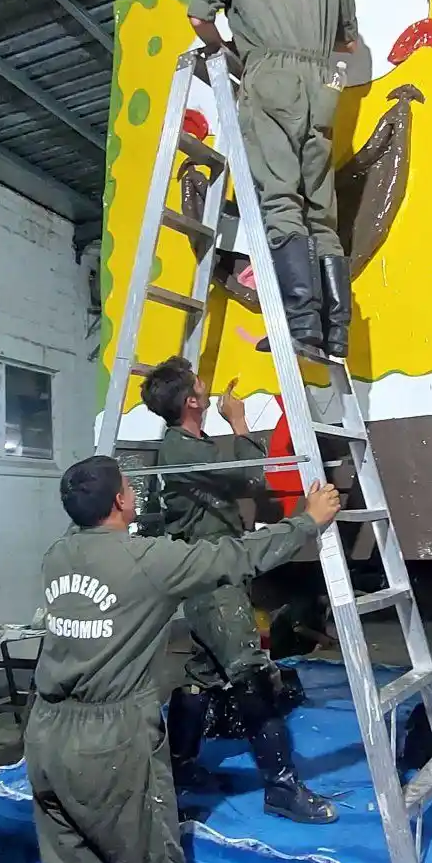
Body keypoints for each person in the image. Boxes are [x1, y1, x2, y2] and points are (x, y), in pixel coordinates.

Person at [25, 452, 340, 863]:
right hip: (111, 743)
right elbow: (238, 558)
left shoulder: (58, 556)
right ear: (120, 504)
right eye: (128, 489)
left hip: (46, 736)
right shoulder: (148, 562)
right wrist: (308, 520)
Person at [141, 354, 339, 828]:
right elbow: (252, 475)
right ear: (192, 400)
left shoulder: (191, 444)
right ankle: (281, 787)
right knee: (250, 674)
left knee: (204, 673)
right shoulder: (186, 452)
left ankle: (181, 766)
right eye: (200, 385)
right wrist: (241, 420)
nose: (207, 387)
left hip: (209, 574)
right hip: (212, 578)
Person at [187, 0, 359, 362]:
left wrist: (227, 53)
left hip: (270, 75)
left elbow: (198, 17)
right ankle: (337, 331)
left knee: (282, 201)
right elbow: (349, 45)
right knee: (321, 213)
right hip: (324, 85)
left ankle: (303, 325)